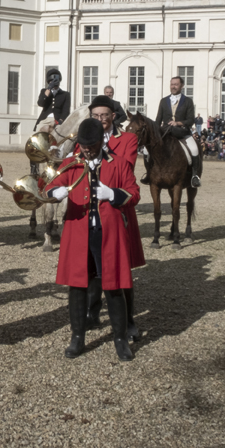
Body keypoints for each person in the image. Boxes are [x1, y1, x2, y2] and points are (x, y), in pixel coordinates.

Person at [46, 119, 140, 360]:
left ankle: (120, 339)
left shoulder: (118, 164)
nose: (86, 150)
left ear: (101, 142)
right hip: (78, 233)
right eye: (83, 146)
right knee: (77, 286)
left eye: (91, 145)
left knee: (113, 285)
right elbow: (47, 188)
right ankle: (77, 337)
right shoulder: (70, 164)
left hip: (108, 234)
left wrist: (115, 194)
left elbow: (134, 193)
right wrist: (53, 193)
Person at [84, 95, 144, 339]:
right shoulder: (84, 138)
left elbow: (126, 168)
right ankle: (93, 312)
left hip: (118, 208)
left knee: (122, 269)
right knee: (93, 266)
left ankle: (128, 321)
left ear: (113, 117)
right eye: (95, 116)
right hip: (92, 211)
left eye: (104, 116)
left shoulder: (128, 139)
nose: (100, 120)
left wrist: (98, 147)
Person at [146, 76, 200, 188]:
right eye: (172, 84)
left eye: (176, 84)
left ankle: (195, 176)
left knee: (194, 149)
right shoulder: (163, 101)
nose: (173, 86)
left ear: (182, 86)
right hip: (165, 133)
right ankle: (148, 174)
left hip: (182, 133)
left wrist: (178, 123)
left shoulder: (188, 101)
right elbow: (158, 119)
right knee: (147, 152)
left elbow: (190, 120)